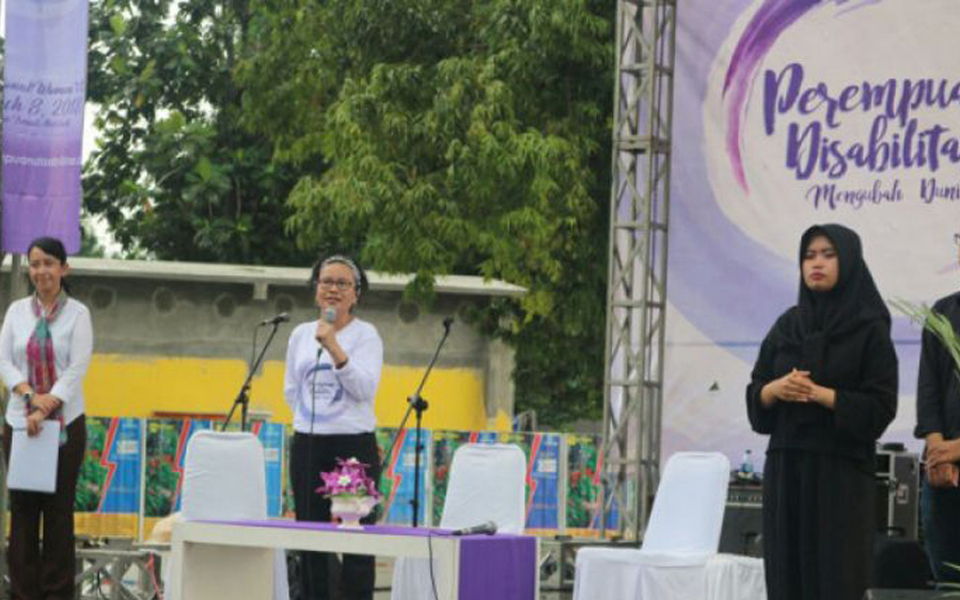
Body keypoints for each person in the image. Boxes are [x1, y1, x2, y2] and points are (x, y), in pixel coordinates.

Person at [746, 224, 898, 600]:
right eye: (809, 255)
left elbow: (881, 406)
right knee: (786, 577)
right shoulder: (787, 325)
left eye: (828, 255)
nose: (817, 263)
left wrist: (823, 396)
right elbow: (756, 395)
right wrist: (774, 390)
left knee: (835, 578)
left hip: (840, 475)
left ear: (848, 262)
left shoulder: (869, 329)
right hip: (786, 469)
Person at [285, 254, 384, 600]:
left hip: (352, 449)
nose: (333, 289)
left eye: (343, 284)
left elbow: (364, 389)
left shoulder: (366, 335)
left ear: (356, 294)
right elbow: (291, 390)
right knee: (310, 538)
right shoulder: (299, 335)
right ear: (316, 291)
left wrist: (334, 346)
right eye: (327, 282)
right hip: (309, 444)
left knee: (355, 535)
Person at [0, 237, 93, 600]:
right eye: (35, 264)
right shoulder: (16, 311)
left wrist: (46, 406)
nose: (41, 271)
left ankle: (56, 594)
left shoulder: (78, 314)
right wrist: (28, 396)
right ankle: (22, 593)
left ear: (63, 269)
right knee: (22, 516)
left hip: (65, 425)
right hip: (21, 425)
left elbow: (76, 368)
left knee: (57, 514)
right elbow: (5, 361)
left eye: (48, 263)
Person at [915, 234, 960, 585]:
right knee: (946, 582)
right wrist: (938, 451)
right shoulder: (942, 313)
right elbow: (928, 390)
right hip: (942, 471)